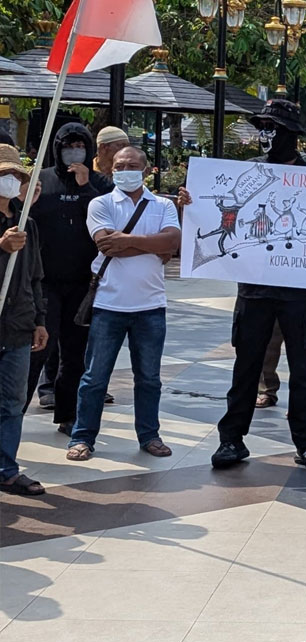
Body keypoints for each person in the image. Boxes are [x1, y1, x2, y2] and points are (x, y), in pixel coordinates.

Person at [179, 99, 306, 473]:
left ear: (290, 134)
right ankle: (231, 439)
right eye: (261, 127)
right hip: (254, 289)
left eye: (272, 128)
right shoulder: (245, 173)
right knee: (245, 366)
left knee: (303, 371)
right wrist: (190, 205)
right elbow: (220, 212)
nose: (265, 135)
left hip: (299, 291)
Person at [64, 146, 179, 461]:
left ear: (145, 169)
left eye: (132, 164)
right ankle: (83, 438)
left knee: (150, 378)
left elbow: (173, 241)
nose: (125, 169)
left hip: (151, 306)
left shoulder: (163, 205)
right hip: (108, 305)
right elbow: (105, 244)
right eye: (119, 165)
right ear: (109, 168)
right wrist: (153, 245)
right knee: (94, 378)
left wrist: (127, 241)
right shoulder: (100, 204)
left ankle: (149, 435)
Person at [25, 123, 114, 431]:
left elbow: (113, 222)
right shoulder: (42, 180)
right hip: (46, 283)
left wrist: (86, 187)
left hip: (84, 284)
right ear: (57, 147)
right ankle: (12, 414)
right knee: (38, 350)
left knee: (75, 355)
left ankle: (68, 415)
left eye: (79, 145)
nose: (73, 151)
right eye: (68, 145)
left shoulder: (101, 185)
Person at [0, 143, 49, 496]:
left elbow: (34, 277)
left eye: (14, 175)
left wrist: (40, 319)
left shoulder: (25, 224)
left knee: (13, 403)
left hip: (17, 328)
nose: (9, 181)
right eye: (3, 175)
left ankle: (6, 468)